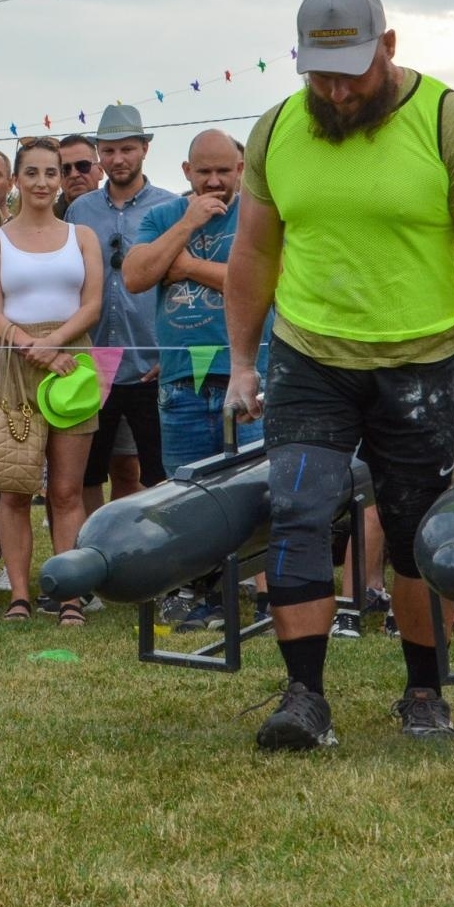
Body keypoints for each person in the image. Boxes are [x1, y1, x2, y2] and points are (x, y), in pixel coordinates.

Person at [225, 0, 454, 748]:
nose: (337, 90)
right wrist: (241, 362)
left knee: (417, 529)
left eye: (352, 73)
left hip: (419, 359)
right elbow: (254, 251)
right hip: (309, 353)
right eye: (320, 75)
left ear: (388, 47)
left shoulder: (450, 122)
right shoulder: (277, 129)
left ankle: (424, 693)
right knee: (299, 511)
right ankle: (303, 697)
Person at [123, 130, 267, 630]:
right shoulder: (163, 216)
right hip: (181, 379)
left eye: (223, 171)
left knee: (255, 487)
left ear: (241, 169)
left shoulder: (257, 214)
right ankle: (197, 597)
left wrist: (185, 268)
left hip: (246, 374)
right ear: (186, 172)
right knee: (186, 489)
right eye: (203, 171)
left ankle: (267, 597)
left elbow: (261, 282)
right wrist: (187, 224)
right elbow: (137, 275)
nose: (214, 181)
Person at [0, 137, 104, 625]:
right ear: (16, 179)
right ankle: (20, 596)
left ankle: (69, 595)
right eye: (32, 173)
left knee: (67, 491)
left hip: (73, 363)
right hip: (13, 363)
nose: (43, 182)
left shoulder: (82, 236)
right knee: (13, 487)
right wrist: (33, 347)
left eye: (51, 173)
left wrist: (56, 346)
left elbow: (91, 304)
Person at [65, 104, 179, 513]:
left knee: (157, 474)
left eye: (127, 149)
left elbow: (180, 288)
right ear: (99, 154)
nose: (118, 159)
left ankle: (148, 559)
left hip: (151, 360)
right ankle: (97, 554)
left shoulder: (169, 208)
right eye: (109, 151)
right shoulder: (80, 211)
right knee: (88, 472)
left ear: (145, 148)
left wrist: (172, 352)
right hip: (92, 360)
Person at [56, 134, 103, 217]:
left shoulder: (120, 213)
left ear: (100, 171)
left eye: (83, 166)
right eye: (65, 169)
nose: (74, 175)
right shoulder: (45, 221)